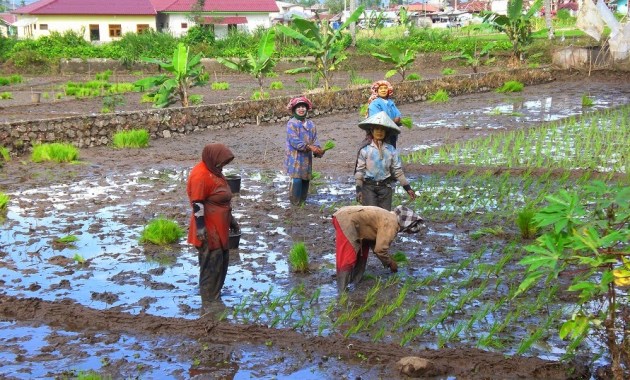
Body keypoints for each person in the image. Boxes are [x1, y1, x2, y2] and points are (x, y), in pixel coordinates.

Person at [187, 143, 240, 307]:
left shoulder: (214, 172)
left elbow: (223, 199)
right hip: (208, 229)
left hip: (220, 227)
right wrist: (201, 227)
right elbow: (197, 204)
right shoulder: (200, 175)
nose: (222, 166)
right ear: (212, 158)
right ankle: (209, 302)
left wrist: (231, 220)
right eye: (221, 162)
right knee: (211, 265)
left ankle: (215, 297)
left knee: (221, 262)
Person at [332, 205, 425, 292]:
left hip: (351, 219)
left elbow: (375, 243)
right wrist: (390, 263)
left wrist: (387, 259)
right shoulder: (392, 224)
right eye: (409, 231)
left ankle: (354, 282)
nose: (408, 233)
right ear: (407, 225)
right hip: (346, 220)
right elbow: (380, 250)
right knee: (348, 257)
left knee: (362, 254)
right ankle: (342, 290)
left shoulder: (388, 216)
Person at [355, 111, 416, 211]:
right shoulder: (365, 150)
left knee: (385, 217)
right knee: (372, 215)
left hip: (385, 188)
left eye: (383, 129)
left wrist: (408, 188)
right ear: (371, 130)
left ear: (386, 132)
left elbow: (397, 171)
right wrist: (359, 189)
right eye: (377, 129)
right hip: (369, 187)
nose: (380, 132)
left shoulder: (391, 150)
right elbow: (360, 171)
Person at [284, 96, 325, 205]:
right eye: (299, 107)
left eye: (303, 107)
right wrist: (310, 147)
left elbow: (315, 139)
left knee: (306, 178)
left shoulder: (311, 124)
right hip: (295, 157)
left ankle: (302, 202)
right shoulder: (291, 123)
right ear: (294, 110)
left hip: (306, 157)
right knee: (297, 179)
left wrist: (318, 149)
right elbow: (295, 141)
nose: (301, 109)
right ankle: (295, 203)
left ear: (307, 109)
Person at [367, 80, 403, 147]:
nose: (383, 90)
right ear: (376, 91)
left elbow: (398, 114)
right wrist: (393, 121)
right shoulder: (374, 104)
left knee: (391, 151)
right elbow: (377, 120)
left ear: (389, 90)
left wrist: (398, 119)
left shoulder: (390, 102)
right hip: (380, 134)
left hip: (392, 132)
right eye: (380, 89)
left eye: (385, 88)